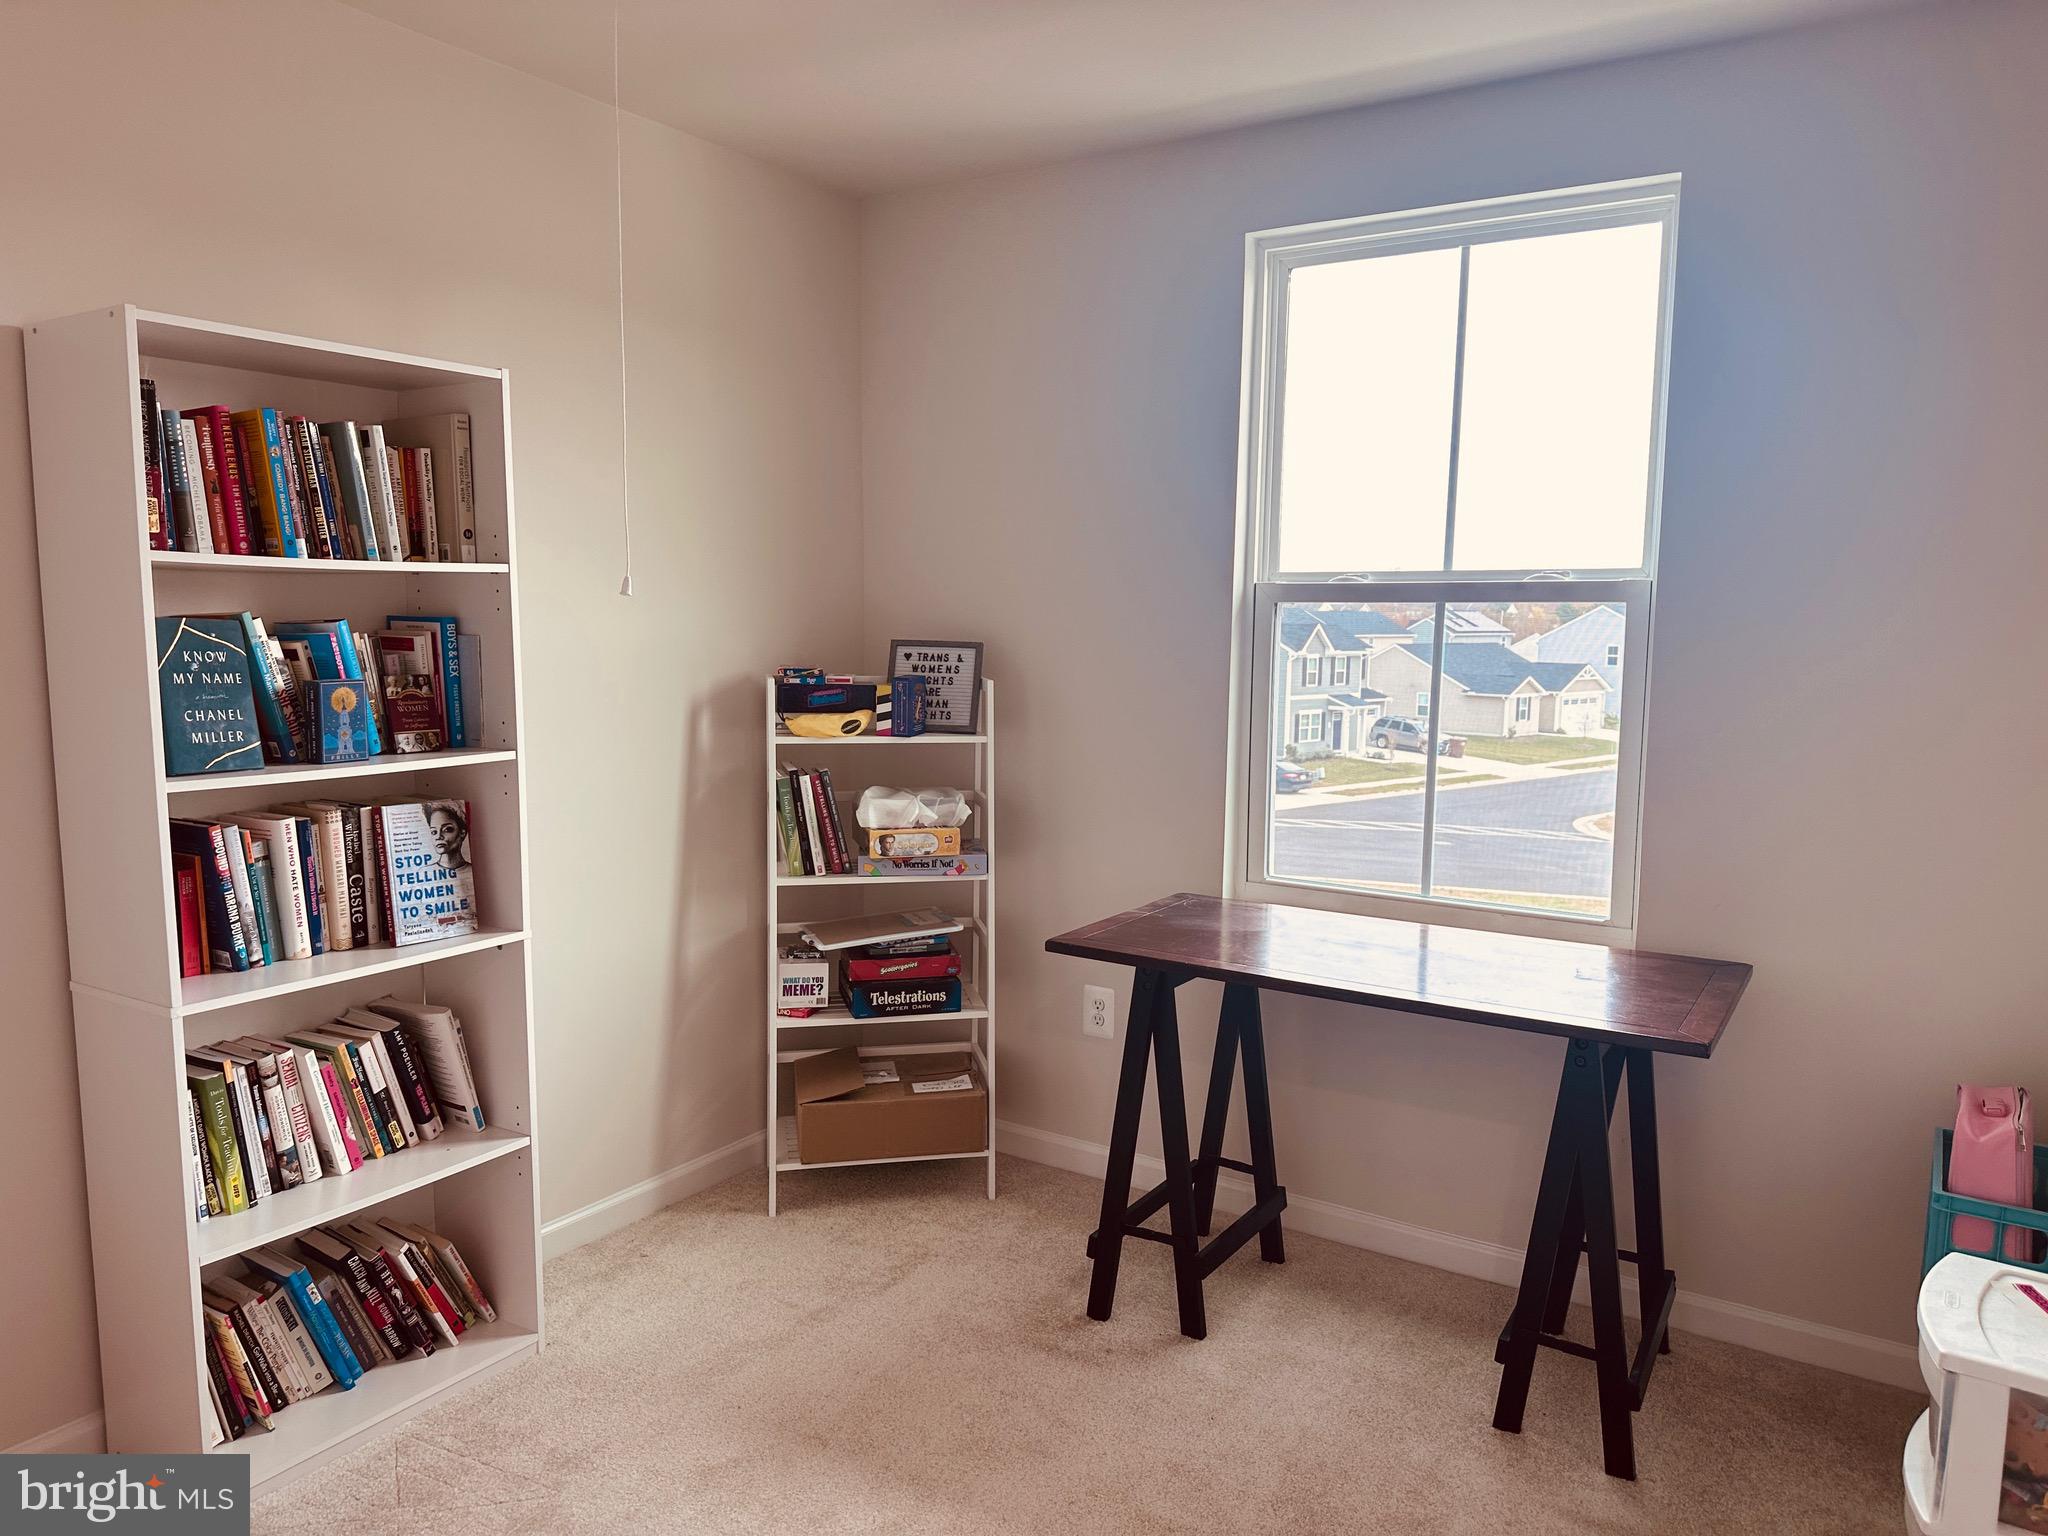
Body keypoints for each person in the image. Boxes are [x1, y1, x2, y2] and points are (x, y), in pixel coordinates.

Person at [428, 802, 471, 871]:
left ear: (462, 833)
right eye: (434, 832)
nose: (439, 836)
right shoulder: (423, 872)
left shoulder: (474, 870)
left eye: (447, 829)